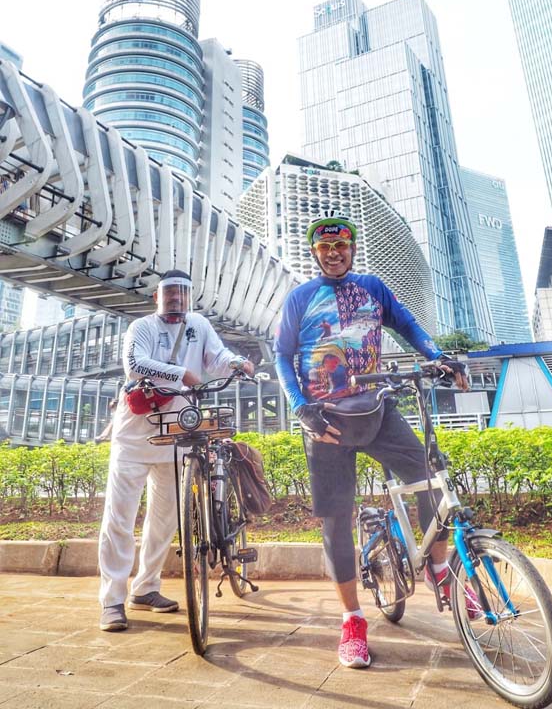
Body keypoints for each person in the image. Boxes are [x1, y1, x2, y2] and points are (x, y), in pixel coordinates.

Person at [274, 215, 471, 668]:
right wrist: (300, 405)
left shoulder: (373, 287)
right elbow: (282, 355)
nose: (334, 253)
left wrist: (438, 356)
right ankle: (353, 621)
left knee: (429, 479)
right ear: (314, 254)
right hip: (325, 422)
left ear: (352, 248)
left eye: (342, 245)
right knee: (336, 520)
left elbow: (407, 325)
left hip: (378, 409)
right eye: (325, 248)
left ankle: (440, 569)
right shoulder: (300, 298)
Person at [98, 269, 254, 632]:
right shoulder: (142, 327)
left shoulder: (198, 323)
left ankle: (146, 586)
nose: (175, 299)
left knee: (166, 517)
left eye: (182, 293)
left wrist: (236, 363)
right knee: (119, 518)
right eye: (169, 293)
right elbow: (134, 365)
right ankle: (112, 600)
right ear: (157, 297)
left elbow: (216, 357)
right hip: (135, 435)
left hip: (180, 430)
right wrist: (181, 373)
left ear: (190, 296)